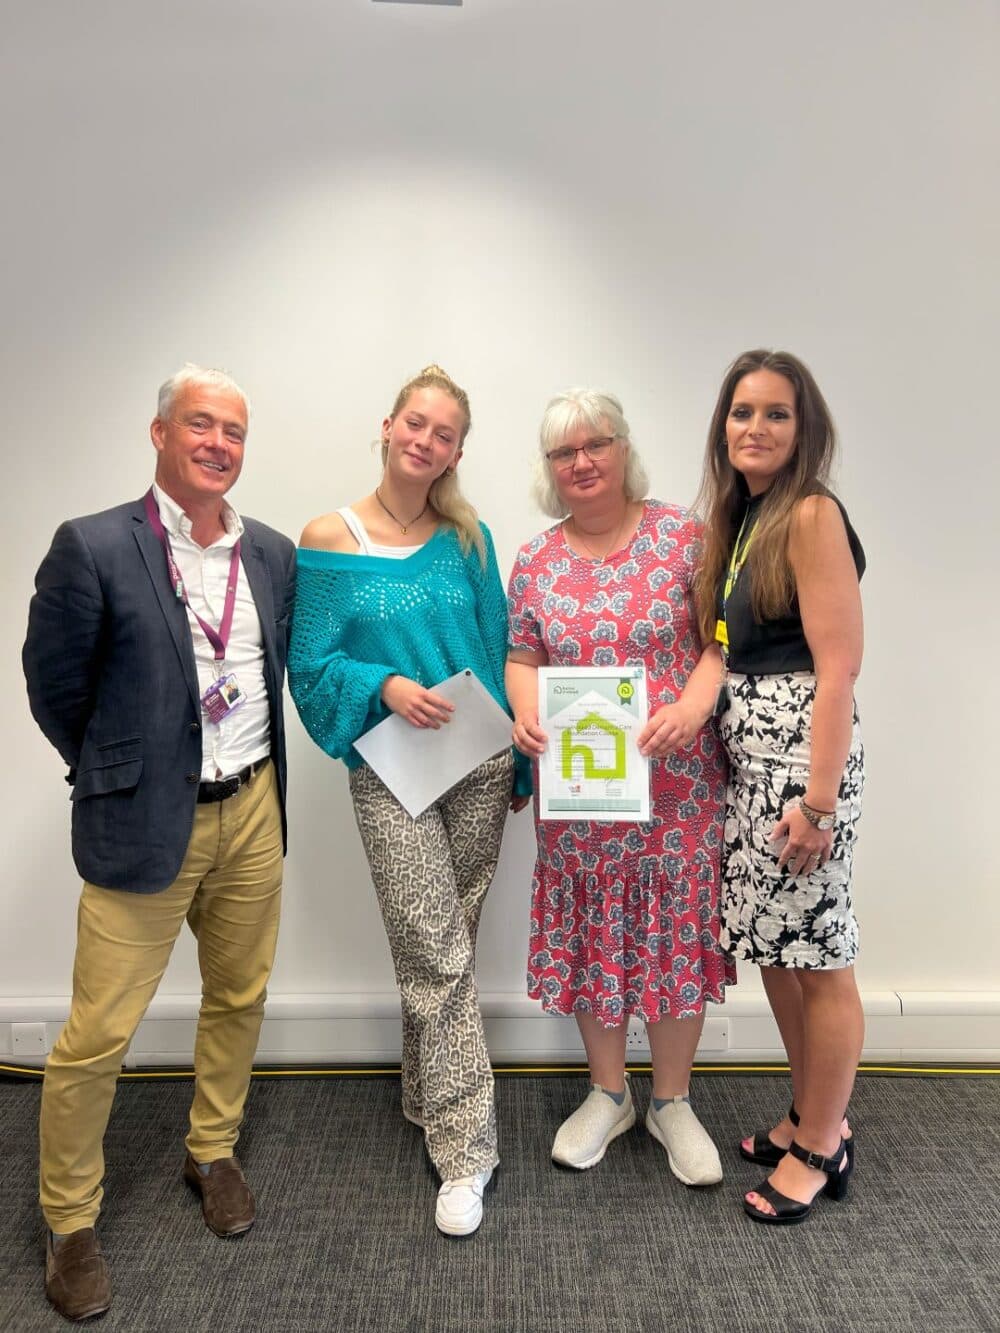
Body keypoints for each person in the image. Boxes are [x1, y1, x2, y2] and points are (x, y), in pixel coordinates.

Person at [22, 364, 296, 1320]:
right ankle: (70, 1218)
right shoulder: (93, 545)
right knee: (97, 1032)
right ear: (159, 432)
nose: (219, 443)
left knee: (241, 992)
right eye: (200, 425)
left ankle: (210, 1149)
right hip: (146, 819)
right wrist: (120, 771)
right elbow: (57, 689)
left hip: (253, 806)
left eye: (234, 431)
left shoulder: (269, 553)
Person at [288, 364, 530, 1238]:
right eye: (414, 424)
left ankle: (426, 1092)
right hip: (388, 766)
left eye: (444, 433)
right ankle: (469, 1151)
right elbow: (309, 666)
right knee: (435, 947)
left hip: (476, 763)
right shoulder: (330, 534)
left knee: (447, 940)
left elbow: (501, 646)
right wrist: (385, 683)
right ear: (387, 426)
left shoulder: (469, 538)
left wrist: (522, 770)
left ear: (457, 451)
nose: (425, 441)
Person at [506, 388, 734, 1185]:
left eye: (594, 444)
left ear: (622, 448)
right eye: (564, 453)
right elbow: (523, 655)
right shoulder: (534, 560)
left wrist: (693, 704)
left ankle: (671, 1100)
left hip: (675, 786)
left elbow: (720, 640)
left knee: (673, 929)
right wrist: (525, 714)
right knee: (592, 927)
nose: (581, 462)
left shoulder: (683, 536)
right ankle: (610, 1092)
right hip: (580, 798)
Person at [693, 348, 865, 1225]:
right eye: (741, 412)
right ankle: (808, 1109)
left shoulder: (810, 513)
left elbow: (837, 671)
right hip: (751, 767)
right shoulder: (747, 516)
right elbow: (727, 649)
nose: (754, 427)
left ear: (805, 429)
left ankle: (823, 1141)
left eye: (775, 413)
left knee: (823, 961)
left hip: (804, 768)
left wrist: (819, 803)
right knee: (776, 952)